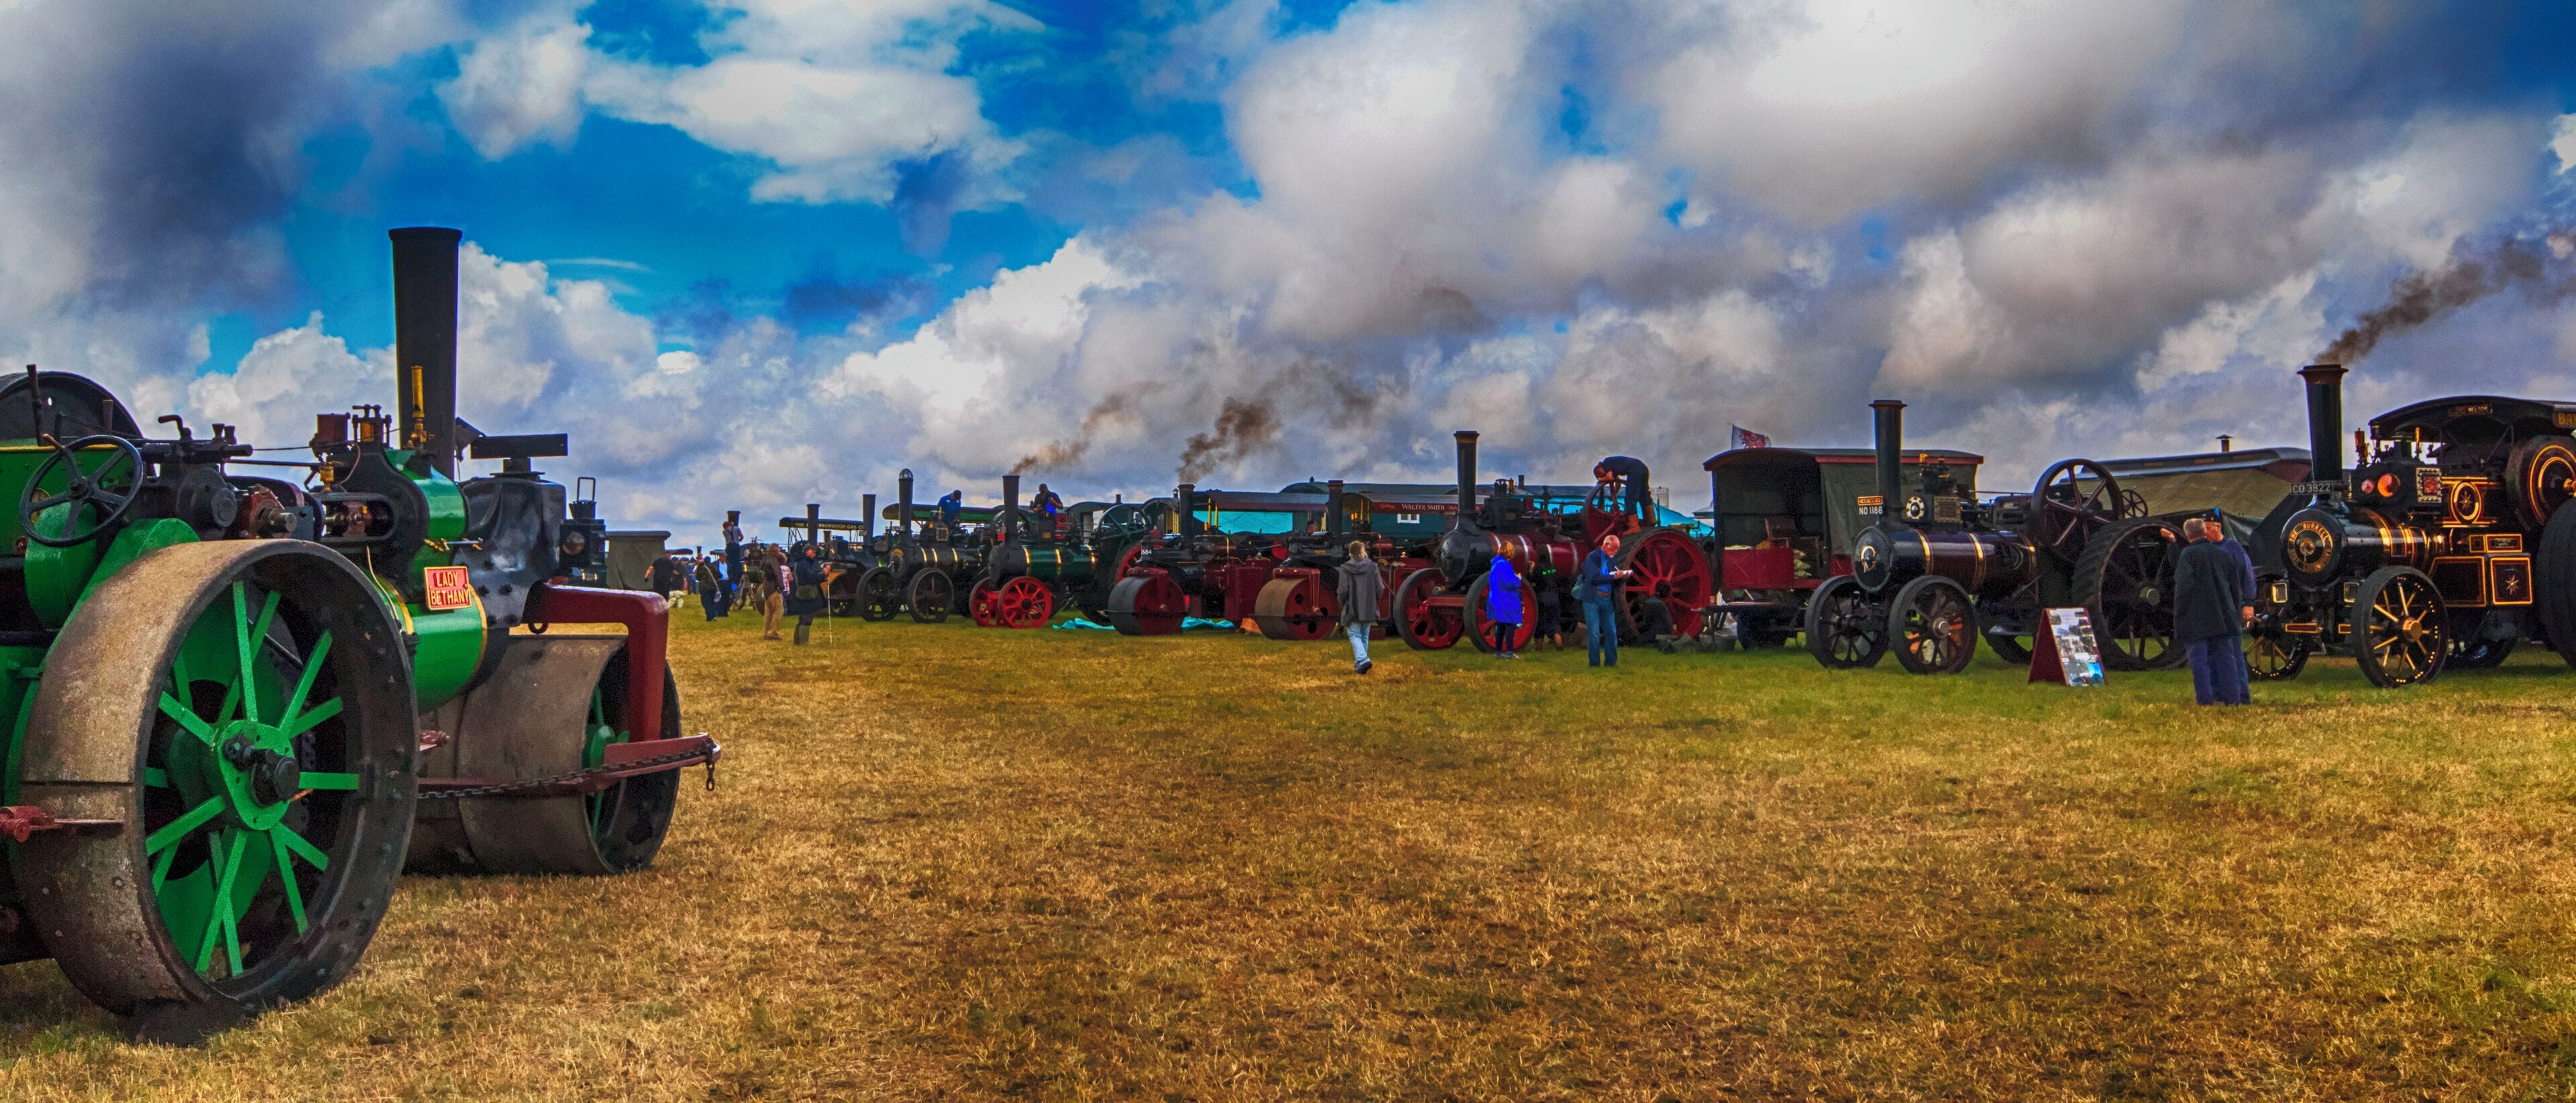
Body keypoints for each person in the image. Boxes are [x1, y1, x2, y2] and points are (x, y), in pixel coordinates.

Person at [2175, 517, 2251, 705]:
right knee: (2227, 660)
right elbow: (2235, 587)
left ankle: (2206, 699)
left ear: (2187, 534)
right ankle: (2233, 699)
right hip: (2224, 616)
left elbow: (2184, 586)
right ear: (2204, 531)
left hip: (2197, 617)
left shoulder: (2188, 555)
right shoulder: (2224, 554)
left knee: (2200, 662)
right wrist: (2233, 608)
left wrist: (2179, 612)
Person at [2211, 509, 2259, 690]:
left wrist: (2248, 603)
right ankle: (2219, 688)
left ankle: (2240, 687)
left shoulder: (2233, 548)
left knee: (2233, 649)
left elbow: (2247, 575)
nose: (2205, 533)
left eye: (2208, 528)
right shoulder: (2205, 549)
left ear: (2218, 527)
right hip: (2213, 607)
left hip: (2231, 606)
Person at [1576, 533, 1632, 668]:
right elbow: (1594, 578)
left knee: (1612, 632)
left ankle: (1611, 662)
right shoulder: (1592, 558)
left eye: (1618, 548)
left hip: (1607, 599)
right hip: (1593, 598)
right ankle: (1595, 663)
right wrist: (1613, 577)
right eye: (1615, 548)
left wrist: (1622, 577)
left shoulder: (1611, 560)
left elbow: (1612, 580)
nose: (1616, 551)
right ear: (1606, 545)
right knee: (1594, 632)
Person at [1336, 539, 1385, 674]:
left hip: (1353, 606)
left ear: (1351, 553)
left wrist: (1342, 601)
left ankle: (1363, 659)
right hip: (1369, 605)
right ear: (1362, 552)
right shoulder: (1373, 566)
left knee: (1354, 634)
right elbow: (1380, 588)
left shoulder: (1345, 568)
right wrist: (1374, 600)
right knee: (1364, 635)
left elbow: (1342, 590)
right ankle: (1361, 666)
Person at [786, 541, 826, 645]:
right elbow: (811, 578)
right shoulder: (804, 564)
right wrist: (824, 573)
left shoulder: (800, 562)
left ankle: (798, 641)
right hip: (807, 595)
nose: (814, 555)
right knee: (807, 618)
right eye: (813, 552)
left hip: (802, 593)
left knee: (802, 618)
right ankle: (803, 642)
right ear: (808, 552)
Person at [1594, 456, 1654, 525]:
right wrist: (1614, 494)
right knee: (1644, 495)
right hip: (1643, 468)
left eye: (1600, 475)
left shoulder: (1606, 462)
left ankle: (1633, 525)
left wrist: (1600, 480)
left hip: (1634, 471)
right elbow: (1618, 482)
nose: (1603, 476)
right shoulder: (1612, 466)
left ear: (1599, 469)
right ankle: (1651, 519)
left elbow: (1609, 478)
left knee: (1630, 499)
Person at [1485, 554, 1523, 659]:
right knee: (1510, 625)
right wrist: (1518, 578)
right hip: (1507, 599)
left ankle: (1498, 653)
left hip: (1497, 598)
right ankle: (1510, 653)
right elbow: (1510, 583)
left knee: (1501, 626)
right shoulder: (1504, 565)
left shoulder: (1495, 565)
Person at [1532, 558, 1564, 650]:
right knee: (1555, 621)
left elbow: (1534, 580)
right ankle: (1559, 642)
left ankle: (1539, 647)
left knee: (1541, 621)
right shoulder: (1552, 568)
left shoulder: (1539, 568)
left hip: (1542, 596)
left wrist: (1531, 569)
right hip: (1554, 597)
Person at [761, 548, 789, 641]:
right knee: (779, 611)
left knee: (768, 613)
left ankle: (765, 633)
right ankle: (773, 632)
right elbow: (779, 579)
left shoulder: (766, 566)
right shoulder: (776, 567)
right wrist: (781, 588)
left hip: (767, 592)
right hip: (774, 591)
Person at [695, 550, 729, 620]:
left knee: (706, 603)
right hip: (713, 587)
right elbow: (719, 575)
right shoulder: (713, 566)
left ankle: (709, 617)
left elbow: (697, 578)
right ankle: (713, 616)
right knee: (713, 602)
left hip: (704, 588)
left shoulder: (701, 568)